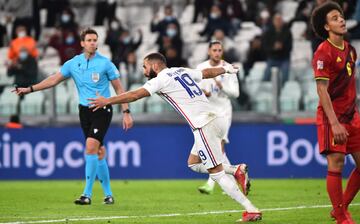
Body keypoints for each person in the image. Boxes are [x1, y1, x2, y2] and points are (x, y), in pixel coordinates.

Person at [88, 52, 262, 222]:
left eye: (145, 66)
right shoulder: (181, 70)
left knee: (216, 174)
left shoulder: (160, 80)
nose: (143, 71)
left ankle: (251, 210)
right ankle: (235, 170)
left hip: (203, 125)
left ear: (155, 66)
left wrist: (107, 101)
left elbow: (135, 95)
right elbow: (206, 73)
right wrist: (226, 69)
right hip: (217, 119)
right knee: (193, 163)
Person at [12, 28, 134, 205]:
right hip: (84, 111)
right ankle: (108, 195)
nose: (93, 43)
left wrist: (126, 112)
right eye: (89, 40)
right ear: (82, 43)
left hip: (102, 109)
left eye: (95, 40)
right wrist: (29, 89)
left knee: (90, 148)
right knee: (99, 152)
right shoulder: (73, 63)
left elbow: (120, 90)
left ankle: (87, 195)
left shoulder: (105, 63)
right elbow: (53, 80)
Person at [311, 2, 360, 224]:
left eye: (341, 16)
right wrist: (336, 123)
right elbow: (322, 90)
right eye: (334, 18)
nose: (341, 19)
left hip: (352, 116)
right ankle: (341, 217)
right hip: (332, 117)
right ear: (326, 26)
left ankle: (341, 208)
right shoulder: (323, 52)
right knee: (337, 162)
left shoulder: (351, 50)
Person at [196, 40, 249, 196]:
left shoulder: (228, 69)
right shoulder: (201, 68)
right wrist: (202, 93)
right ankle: (236, 177)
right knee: (213, 148)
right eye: (214, 50)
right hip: (207, 111)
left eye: (219, 50)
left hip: (223, 111)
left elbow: (236, 93)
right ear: (209, 51)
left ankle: (210, 184)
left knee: (217, 146)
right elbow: (195, 88)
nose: (217, 53)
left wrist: (221, 86)